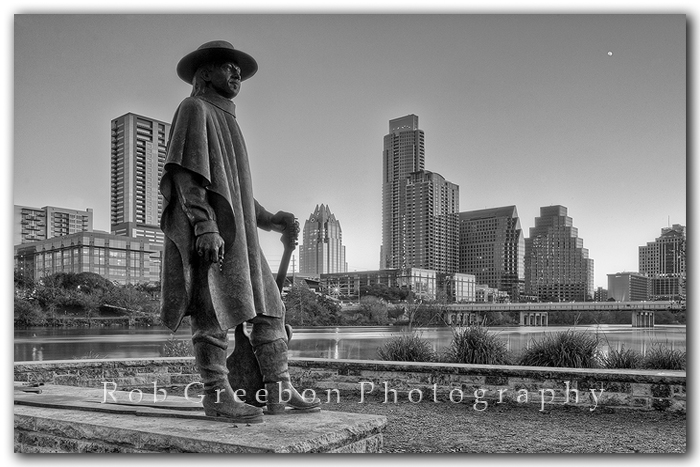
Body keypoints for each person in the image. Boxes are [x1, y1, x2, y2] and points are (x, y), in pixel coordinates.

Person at [159, 40, 321, 421]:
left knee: (271, 311)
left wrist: (269, 219)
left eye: (239, 69)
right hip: (214, 238)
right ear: (205, 73)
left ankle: (279, 390)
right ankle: (216, 394)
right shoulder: (193, 108)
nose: (236, 74)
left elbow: (234, 191)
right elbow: (185, 173)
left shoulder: (229, 120)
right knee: (211, 313)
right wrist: (204, 224)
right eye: (227, 66)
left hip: (243, 240)